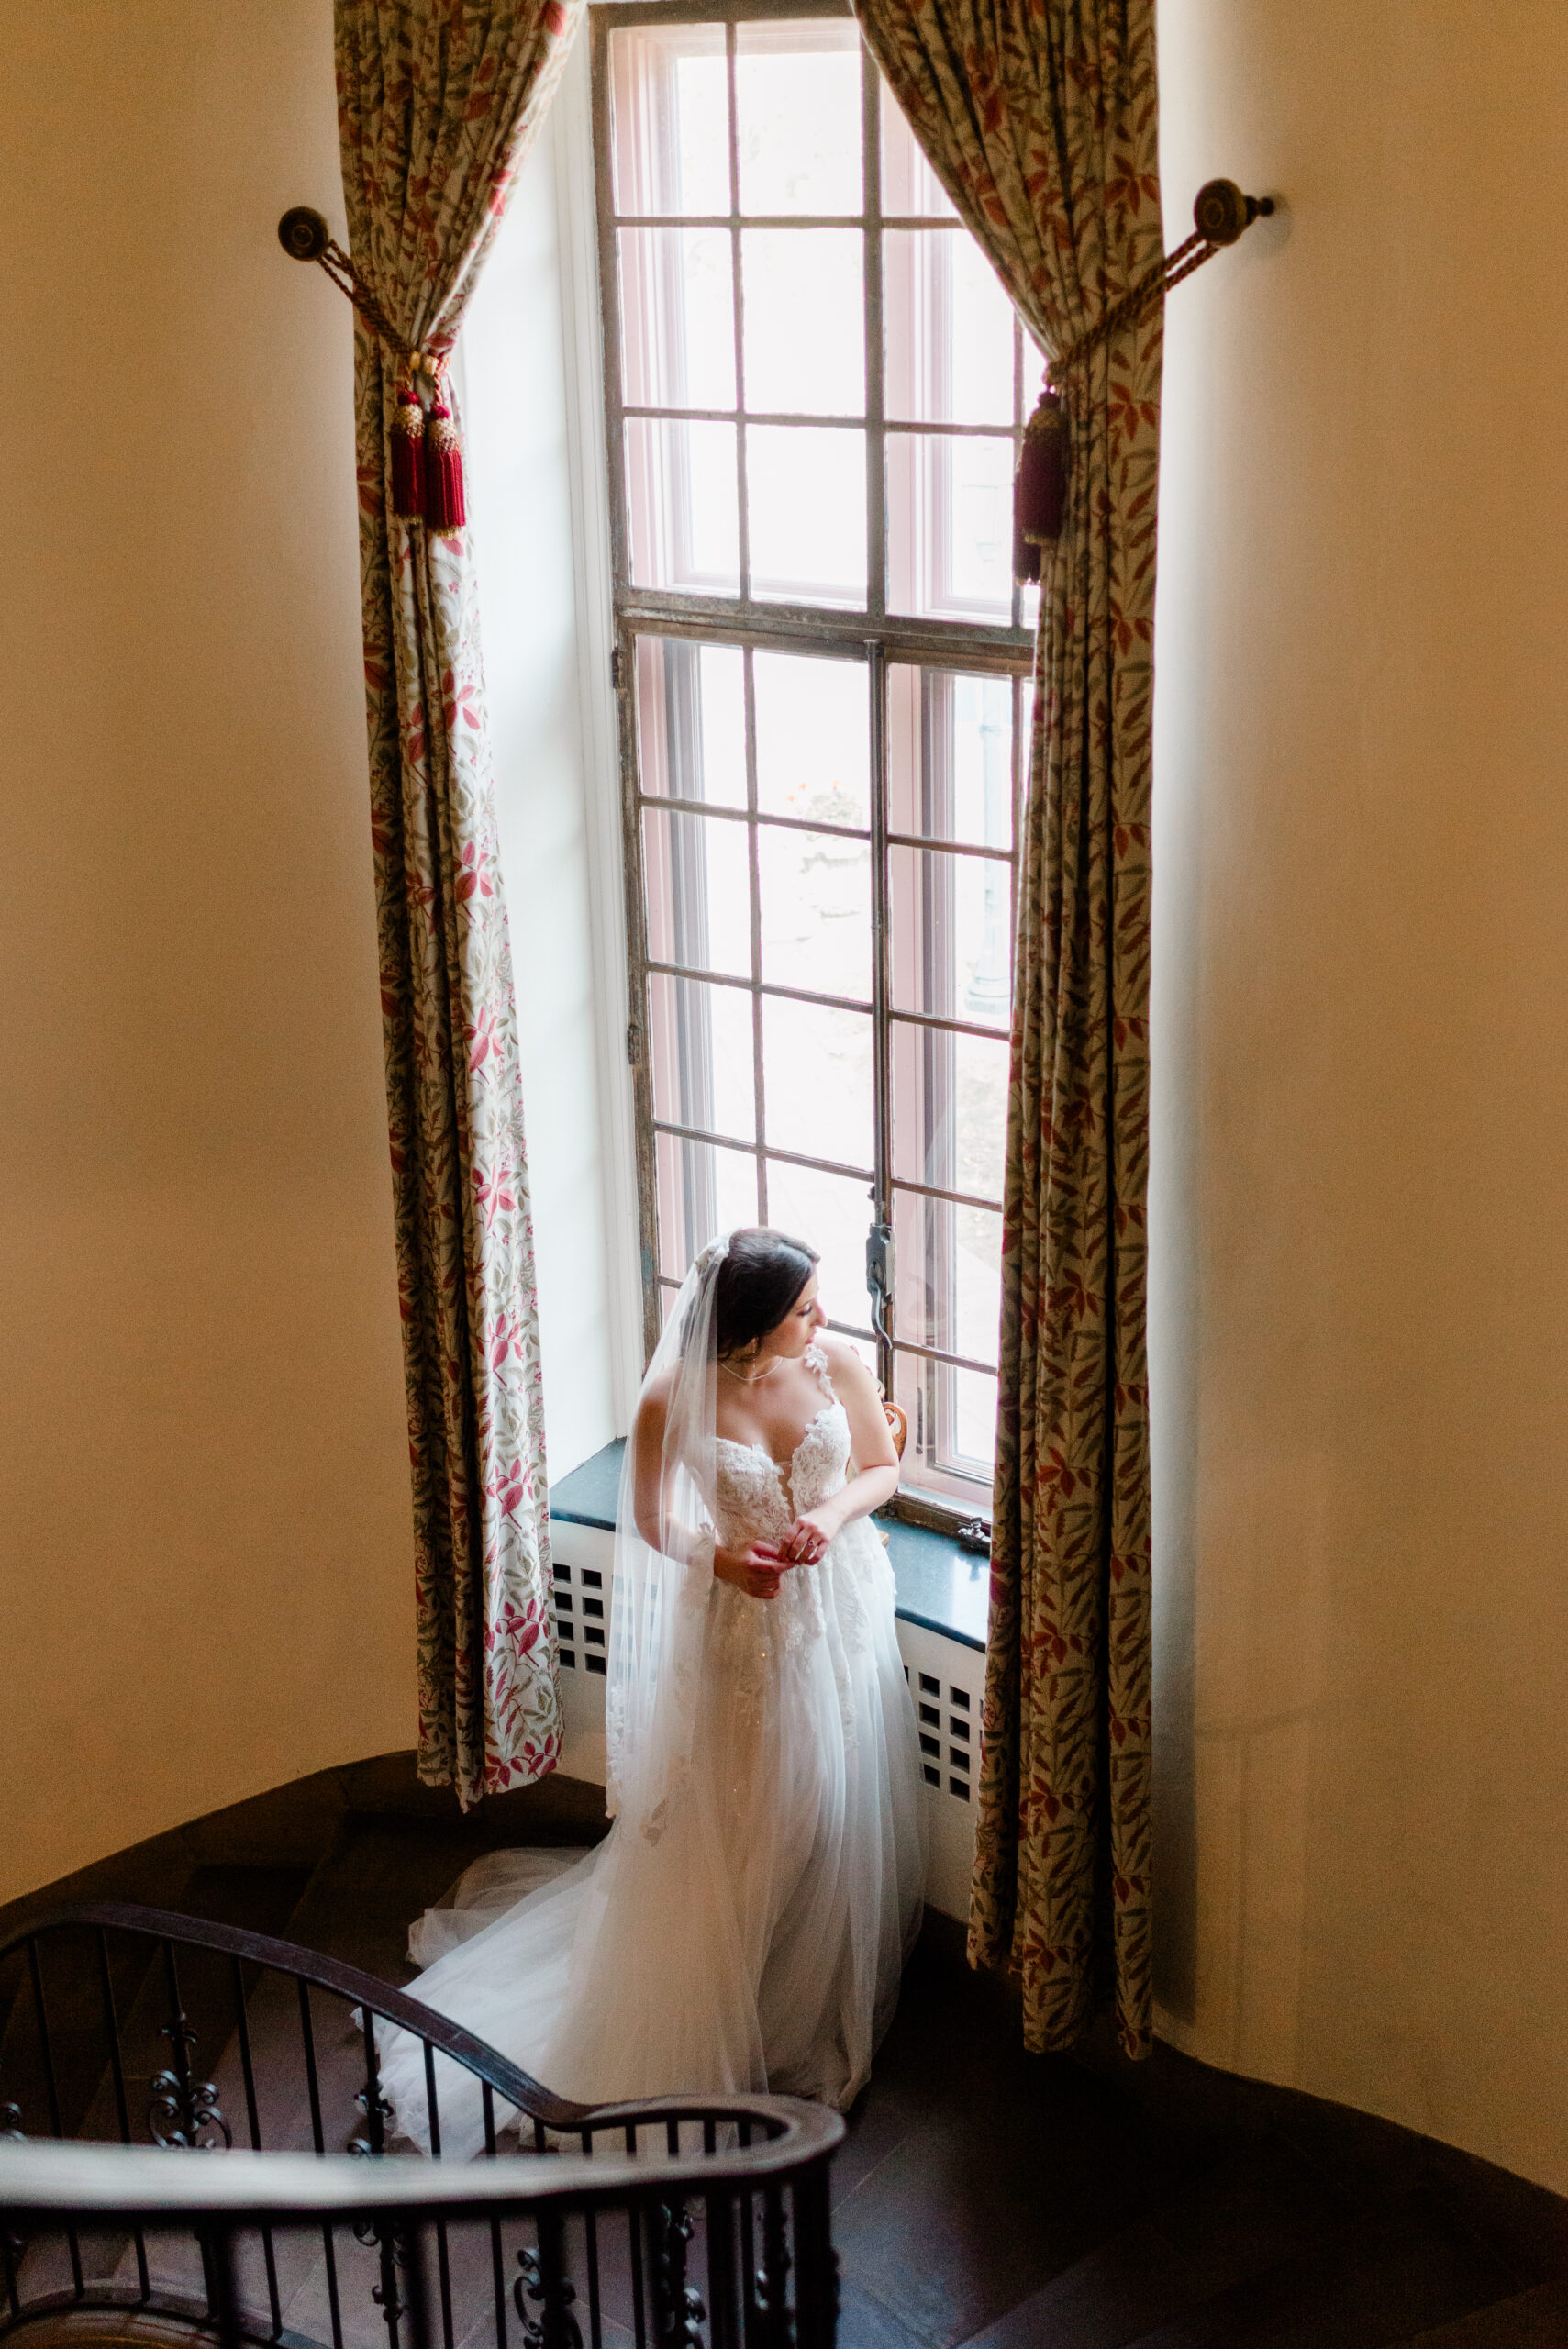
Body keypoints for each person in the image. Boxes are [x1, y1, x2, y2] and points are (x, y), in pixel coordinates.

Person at [378, 1229, 927, 2155]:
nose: (822, 1319)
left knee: (834, 1803)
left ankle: (804, 1984)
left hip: (839, 1610)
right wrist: (718, 1557)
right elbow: (647, 1518)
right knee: (753, 1819)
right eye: (801, 1310)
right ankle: (719, 1996)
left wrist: (828, 1519)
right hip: (741, 1637)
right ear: (747, 1330)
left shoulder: (833, 1361)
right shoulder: (672, 1398)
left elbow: (881, 1467)